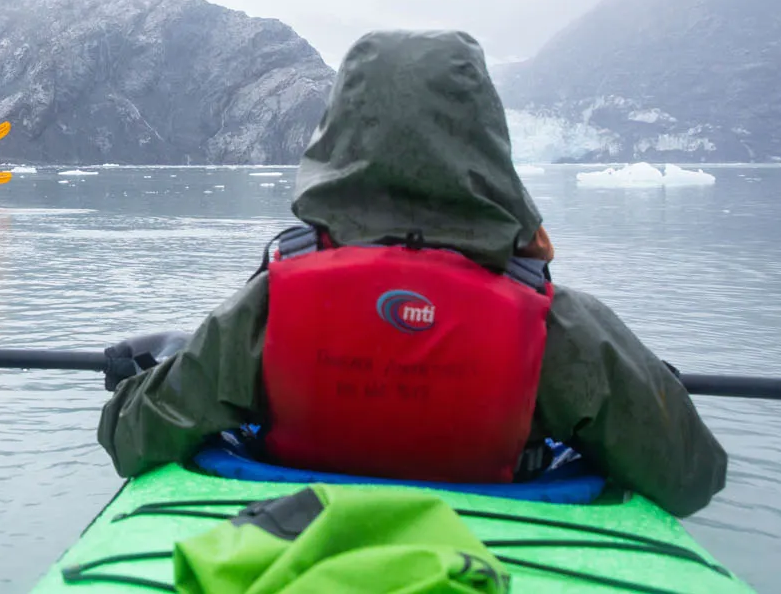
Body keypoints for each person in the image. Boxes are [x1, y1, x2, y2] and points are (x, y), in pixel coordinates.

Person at [97, 30, 727, 518]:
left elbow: (131, 439)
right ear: (486, 137)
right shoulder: (563, 327)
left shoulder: (265, 310)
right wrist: (654, 392)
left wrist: (153, 377)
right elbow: (691, 477)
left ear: (339, 133)